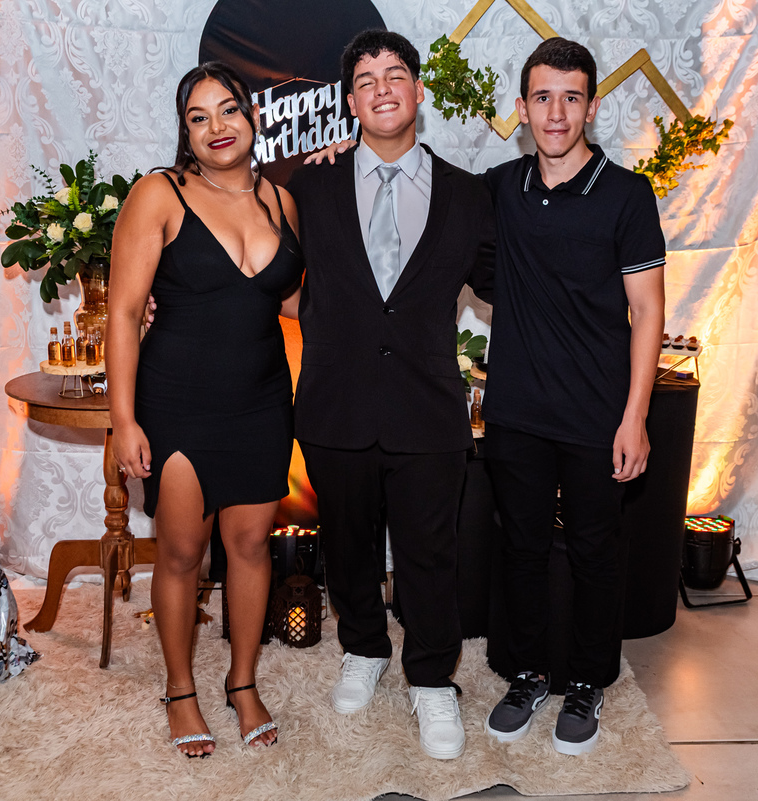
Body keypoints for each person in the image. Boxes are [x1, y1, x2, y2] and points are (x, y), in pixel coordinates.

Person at [286, 29, 495, 760]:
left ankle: (432, 678)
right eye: (366, 79)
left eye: (395, 74)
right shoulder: (308, 186)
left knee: (429, 553)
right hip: (334, 402)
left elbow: (509, 286)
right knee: (346, 543)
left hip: (427, 407)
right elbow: (261, 270)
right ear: (350, 101)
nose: (382, 88)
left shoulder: (469, 194)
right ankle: (363, 646)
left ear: (418, 91)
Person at [107, 62, 303, 758]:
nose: (217, 126)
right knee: (183, 552)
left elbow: (290, 301)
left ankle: (242, 680)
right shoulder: (159, 194)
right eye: (199, 116)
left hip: (262, 401)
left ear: (253, 117)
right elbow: (124, 313)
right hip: (178, 402)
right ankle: (180, 687)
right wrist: (124, 420)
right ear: (184, 132)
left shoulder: (281, 201)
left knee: (250, 546)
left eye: (229, 110)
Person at [480, 38, 666, 756]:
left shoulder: (626, 194)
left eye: (571, 97)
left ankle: (588, 681)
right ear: (522, 108)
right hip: (517, 412)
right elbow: (418, 189)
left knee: (595, 552)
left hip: (597, 414)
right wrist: (339, 155)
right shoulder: (499, 188)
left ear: (591, 106)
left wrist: (635, 417)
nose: (555, 113)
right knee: (521, 548)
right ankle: (526, 673)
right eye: (542, 97)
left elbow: (647, 310)